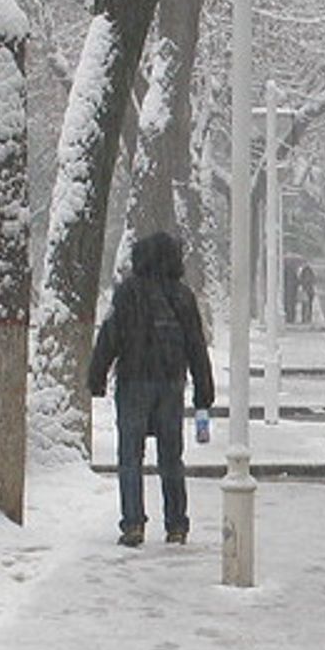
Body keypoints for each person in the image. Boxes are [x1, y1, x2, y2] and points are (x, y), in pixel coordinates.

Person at [87, 230, 216, 548]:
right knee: (171, 458)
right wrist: (203, 393)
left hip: (133, 383)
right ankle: (176, 525)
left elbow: (110, 335)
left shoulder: (128, 292)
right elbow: (196, 345)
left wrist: (97, 376)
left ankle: (133, 525)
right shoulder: (183, 296)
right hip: (171, 385)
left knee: (130, 457)